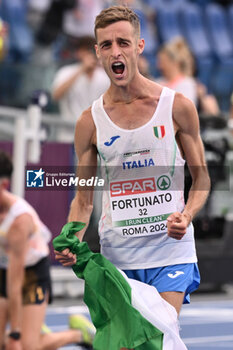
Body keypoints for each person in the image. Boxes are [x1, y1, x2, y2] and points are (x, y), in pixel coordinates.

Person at [54, 4, 210, 344]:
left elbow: (202, 180)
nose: (115, 51)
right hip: (119, 257)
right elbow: (83, 199)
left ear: (139, 46)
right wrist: (73, 237)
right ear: (97, 52)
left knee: (157, 334)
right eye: (106, 45)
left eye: (123, 42)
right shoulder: (89, 121)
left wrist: (186, 215)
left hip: (171, 252)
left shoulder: (176, 106)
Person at [0, 150, 95, 350]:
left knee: (26, 346)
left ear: (4, 186)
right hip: (4, 271)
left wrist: (16, 332)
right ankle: (31, 327)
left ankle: (79, 334)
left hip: (31, 273)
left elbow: (15, 282)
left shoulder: (18, 222)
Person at [51, 35, 110, 142]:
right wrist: (82, 69)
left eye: (92, 50)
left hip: (96, 136)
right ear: (78, 53)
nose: (90, 54)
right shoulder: (66, 72)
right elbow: (56, 95)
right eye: (86, 50)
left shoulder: (105, 76)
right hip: (68, 134)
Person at [157, 36, 220, 116]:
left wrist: (202, 97)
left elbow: (214, 113)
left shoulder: (190, 83)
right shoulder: (158, 82)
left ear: (175, 63)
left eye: (162, 62)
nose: (159, 66)